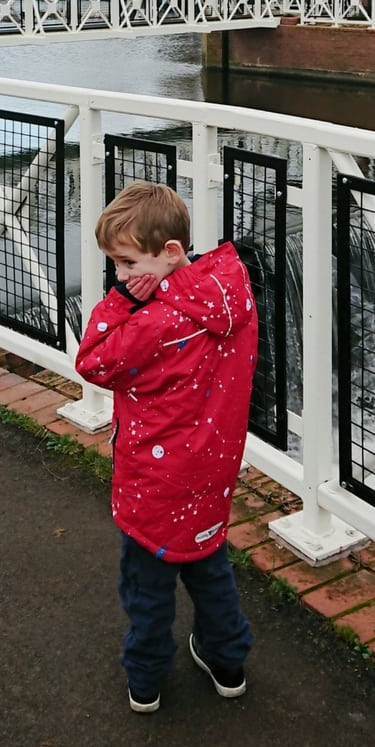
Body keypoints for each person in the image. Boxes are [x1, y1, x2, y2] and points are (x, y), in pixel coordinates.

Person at [75, 181, 258, 713]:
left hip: (155, 480)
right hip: (213, 468)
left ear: (171, 252)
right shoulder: (231, 290)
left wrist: (119, 302)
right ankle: (227, 663)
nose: (123, 277)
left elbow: (92, 361)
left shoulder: (155, 322)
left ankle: (146, 680)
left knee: (147, 585)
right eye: (115, 267)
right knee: (209, 566)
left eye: (128, 264)